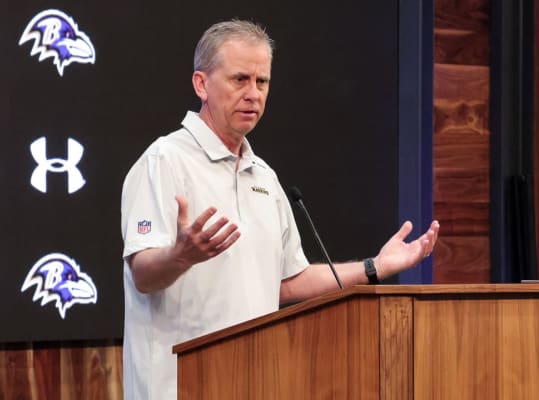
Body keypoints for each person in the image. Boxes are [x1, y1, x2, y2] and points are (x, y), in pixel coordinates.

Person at [120, 19, 440, 399]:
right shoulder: (164, 161)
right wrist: (181, 255)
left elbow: (288, 282)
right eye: (240, 79)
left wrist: (375, 267)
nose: (253, 94)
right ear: (201, 84)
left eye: (262, 82)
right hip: (177, 387)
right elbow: (143, 275)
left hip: (255, 383)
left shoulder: (264, 177)